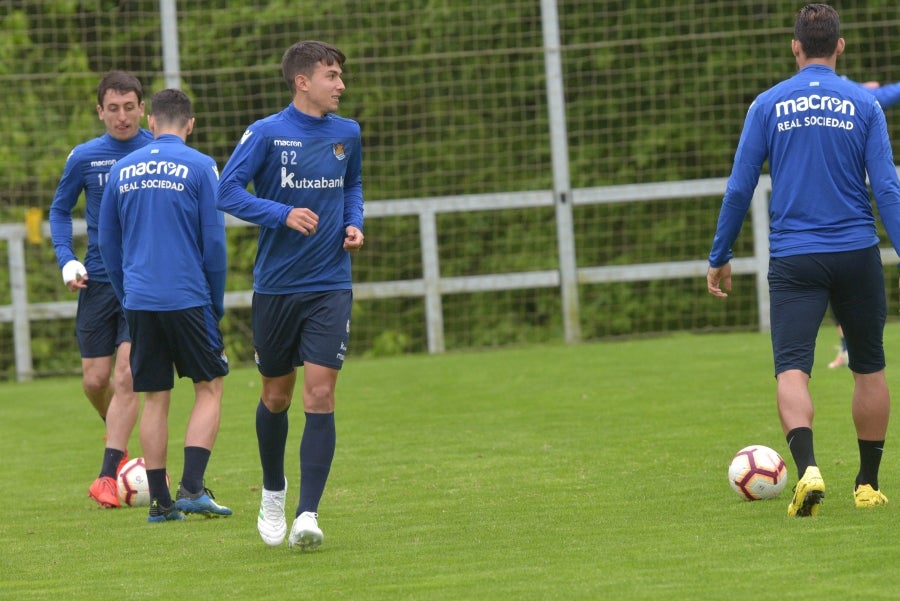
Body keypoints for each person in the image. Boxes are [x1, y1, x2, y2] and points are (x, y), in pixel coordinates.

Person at [706, 3, 900, 517]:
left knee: (792, 369)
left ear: (795, 48)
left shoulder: (767, 104)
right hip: (856, 251)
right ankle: (866, 484)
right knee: (869, 367)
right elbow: (886, 186)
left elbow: (740, 186)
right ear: (840, 46)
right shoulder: (865, 104)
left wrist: (719, 254)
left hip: (795, 257)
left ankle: (809, 467)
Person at [216, 40, 364, 549]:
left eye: (340, 75)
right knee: (275, 396)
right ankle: (274, 492)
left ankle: (308, 513)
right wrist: (281, 214)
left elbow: (352, 186)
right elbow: (227, 191)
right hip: (276, 288)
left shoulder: (348, 133)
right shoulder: (266, 133)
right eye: (332, 75)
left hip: (330, 283)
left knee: (320, 392)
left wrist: (353, 223)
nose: (340, 84)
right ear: (303, 81)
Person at [98, 88, 232, 523]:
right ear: (189, 125)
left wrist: (126, 293)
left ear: (151, 123)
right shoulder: (201, 166)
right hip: (188, 295)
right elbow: (214, 242)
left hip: (139, 299)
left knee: (154, 396)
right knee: (209, 386)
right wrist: (216, 301)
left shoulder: (121, 169)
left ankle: (159, 503)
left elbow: (106, 245)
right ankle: (192, 488)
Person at [49, 71, 151, 508]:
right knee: (95, 381)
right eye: (113, 108)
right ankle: (121, 444)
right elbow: (58, 211)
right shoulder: (86, 157)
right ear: (100, 111)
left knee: (127, 374)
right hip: (97, 280)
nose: (122, 116)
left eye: (130, 107)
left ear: (142, 108)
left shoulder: (156, 152)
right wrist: (66, 258)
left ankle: (107, 475)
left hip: (143, 282)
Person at [827, 78, 900, 369]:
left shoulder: (787, 98)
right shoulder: (858, 98)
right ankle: (849, 348)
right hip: (854, 231)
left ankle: (848, 348)